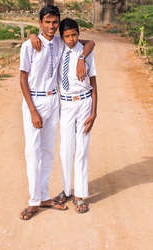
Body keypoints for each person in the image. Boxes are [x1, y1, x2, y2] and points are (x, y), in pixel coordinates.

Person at [19, 5, 94, 220]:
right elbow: (22, 79)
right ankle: (34, 201)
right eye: (47, 22)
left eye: (54, 22)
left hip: (54, 101)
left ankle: (44, 196)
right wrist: (32, 109)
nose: (51, 26)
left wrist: (81, 59)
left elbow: (90, 43)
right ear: (40, 23)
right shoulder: (29, 46)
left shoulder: (61, 42)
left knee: (48, 152)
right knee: (33, 151)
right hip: (35, 101)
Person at [53, 18, 97, 213]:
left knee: (82, 150)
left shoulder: (86, 52)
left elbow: (94, 81)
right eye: (67, 36)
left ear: (79, 34)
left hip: (85, 102)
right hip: (66, 104)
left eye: (74, 35)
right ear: (62, 37)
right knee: (65, 149)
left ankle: (80, 194)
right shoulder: (58, 50)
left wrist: (94, 111)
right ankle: (66, 189)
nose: (71, 39)